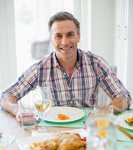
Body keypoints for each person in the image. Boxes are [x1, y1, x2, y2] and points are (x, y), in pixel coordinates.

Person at [0, 11, 132, 119]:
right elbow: (6, 96)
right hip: (54, 131)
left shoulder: (96, 63)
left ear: (78, 36)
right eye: (58, 36)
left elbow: (124, 97)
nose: (64, 42)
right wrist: (17, 110)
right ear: (51, 39)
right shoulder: (41, 68)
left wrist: (105, 112)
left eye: (70, 35)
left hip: (88, 128)